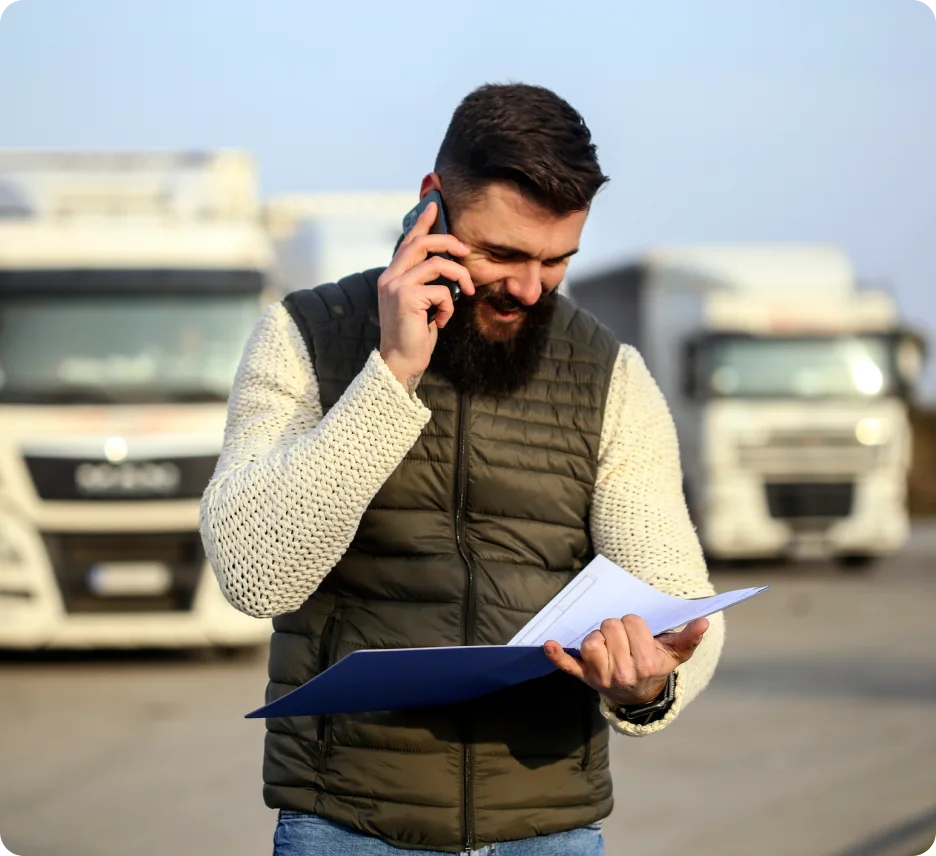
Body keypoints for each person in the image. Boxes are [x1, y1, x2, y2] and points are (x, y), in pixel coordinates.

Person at [200, 82, 725, 856]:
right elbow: (255, 574)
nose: (527, 287)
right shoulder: (302, 338)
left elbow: (679, 606)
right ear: (430, 207)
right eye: (503, 253)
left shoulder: (612, 376)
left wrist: (648, 683)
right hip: (346, 824)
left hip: (547, 829)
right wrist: (390, 374)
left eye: (557, 261)